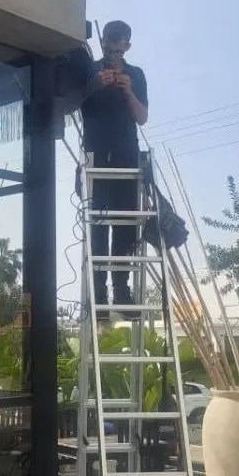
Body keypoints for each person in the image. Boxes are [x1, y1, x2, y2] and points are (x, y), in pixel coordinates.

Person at [80, 20, 148, 316]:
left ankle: (122, 291)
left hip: (127, 158)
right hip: (96, 157)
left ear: (127, 47)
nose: (113, 55)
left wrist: (128, 92)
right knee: (98, 225)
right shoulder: (90, 70)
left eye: (119, 51)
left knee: (126, 225)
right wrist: (95, 85)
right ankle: (98, 295)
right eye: (109, 49)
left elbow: (142, 117)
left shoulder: (136, 74)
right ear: (103, 42)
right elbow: (73, 105)